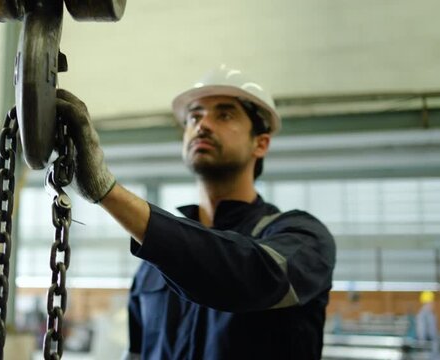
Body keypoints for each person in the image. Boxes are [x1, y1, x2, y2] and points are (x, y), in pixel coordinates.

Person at [56, 65, 336, 359]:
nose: (202, 125)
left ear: (261, 143)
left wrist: (108, 192)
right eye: (194, 116)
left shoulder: (302, 237)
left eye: (224, 114)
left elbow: (253, 276)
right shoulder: (153, 264)